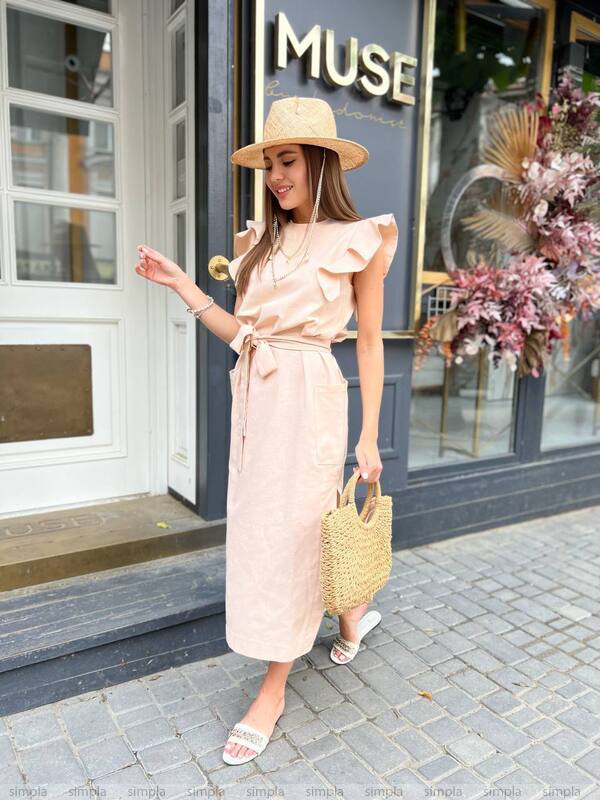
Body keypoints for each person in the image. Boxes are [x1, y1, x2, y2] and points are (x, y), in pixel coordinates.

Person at [135, 96, 399, 765]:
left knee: (298, 531)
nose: (277, 176)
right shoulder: (263, 239)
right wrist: (182, 286)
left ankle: (273, 689)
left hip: (312, 395)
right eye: (270, 164)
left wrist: (369, 435)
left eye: (289, 161)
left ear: (320, 162)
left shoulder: (358, 239)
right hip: (256, 398)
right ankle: (347, 615)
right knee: (267, 531)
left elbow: (369, 342)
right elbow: (243, 334)